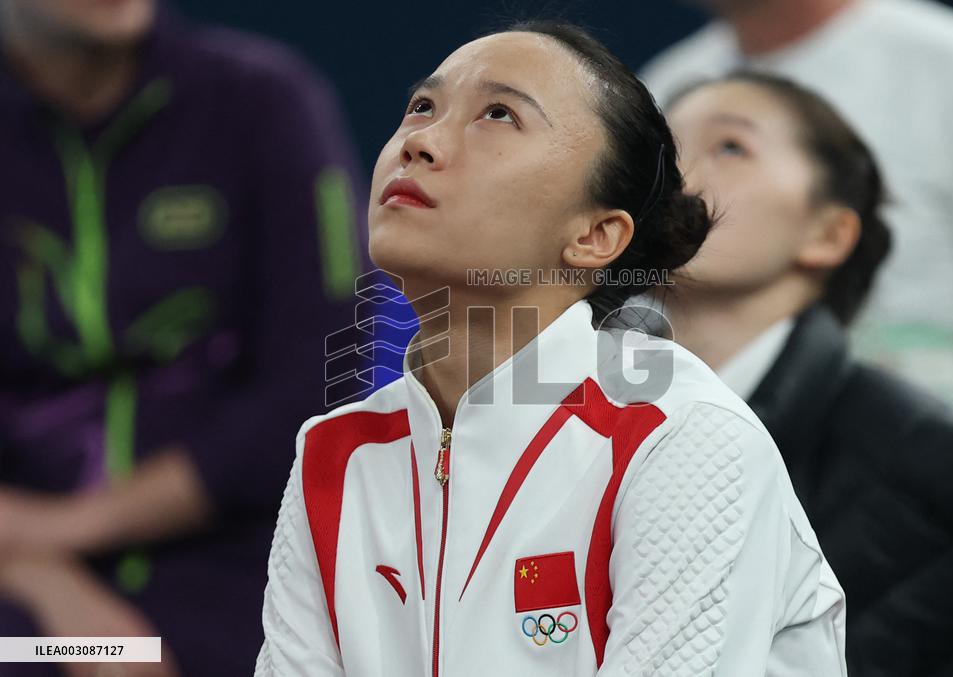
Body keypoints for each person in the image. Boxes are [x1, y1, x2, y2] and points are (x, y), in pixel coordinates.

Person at [254, 21, 848, 677]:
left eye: (498, 114)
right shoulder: (335, 454)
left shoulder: (684, 436)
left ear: (596, 235)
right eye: (422, 106)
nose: (419, 142)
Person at [0, 0, 370, 674]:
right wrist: (43, 574)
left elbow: (320, 385)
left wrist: (65, 529)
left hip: (247, 574)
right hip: (23, 594)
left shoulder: (265, 101)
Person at [661, 71, 953, 676]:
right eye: (659, 147)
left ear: (827, 233)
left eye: (730, 146)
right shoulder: (565, 417)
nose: (669, 175)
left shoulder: (933, 464)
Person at [640, 0, 953, 426]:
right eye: (675, 151)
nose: (686, 175)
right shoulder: (664, 81)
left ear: (832, 235)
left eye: (731, 148)